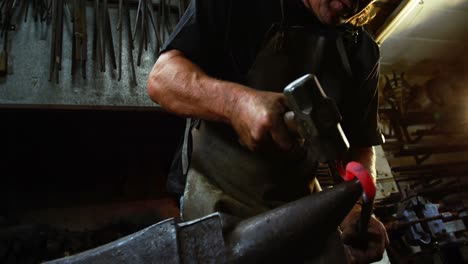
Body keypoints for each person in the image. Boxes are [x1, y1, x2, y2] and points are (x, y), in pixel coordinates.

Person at [148, 0, 388, 262]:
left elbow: (360, 146)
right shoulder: (240, 6)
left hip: (298, 207)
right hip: (214, 194)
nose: (351, 3)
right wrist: (236, 104)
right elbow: (162, 79)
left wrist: (354, 211)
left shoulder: (361, 51)